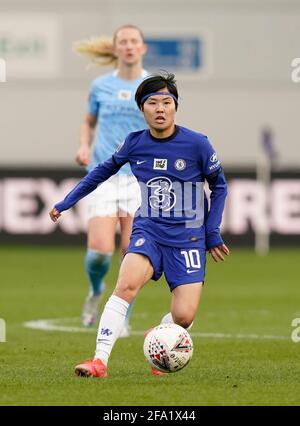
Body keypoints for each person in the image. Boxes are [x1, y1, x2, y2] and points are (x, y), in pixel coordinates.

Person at [50, 72, 230, 377]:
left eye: (166, 102)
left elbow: (220, 186)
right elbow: (100, 173)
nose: (160, 108)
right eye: (152, 103)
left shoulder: (197, 144)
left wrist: (212, 232)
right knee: (125, 287)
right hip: (148, 229)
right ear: (142, 109)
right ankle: (99, 361)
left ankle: (161, 334)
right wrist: (66, 202)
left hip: (188, 237)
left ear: (175, 107)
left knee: (184, 316)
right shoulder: (135, 143)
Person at [74, 25, 148, 332]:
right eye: (123, 42)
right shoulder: (100, 85)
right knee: (100, 252)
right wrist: (83, 145)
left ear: (143, 48)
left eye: (134, 41)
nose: (129, 46)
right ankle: (95, 291)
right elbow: (88, 121)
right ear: (115, 48)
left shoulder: (152, 86)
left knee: (131, 251)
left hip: (140, 178)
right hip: (105, 174)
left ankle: (123, 313)